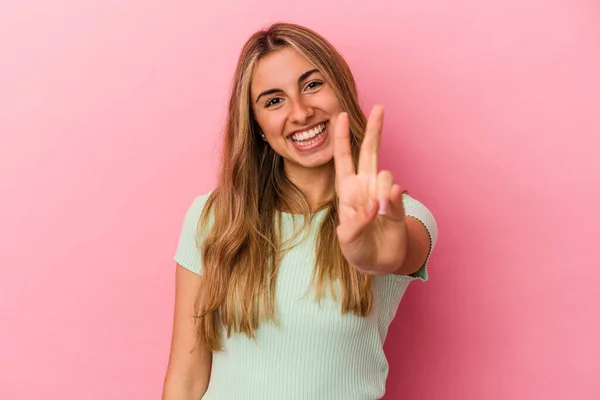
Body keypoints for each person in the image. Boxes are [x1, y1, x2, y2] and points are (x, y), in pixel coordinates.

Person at [162, 22, 438, 400]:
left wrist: (378, 255)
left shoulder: (398, 216)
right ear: (257, 125)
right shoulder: (212, 217)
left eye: (312, 85)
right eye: (274, 100)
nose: (301, 112)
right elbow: (186, 379)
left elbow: (400, 249)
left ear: (341, 90)